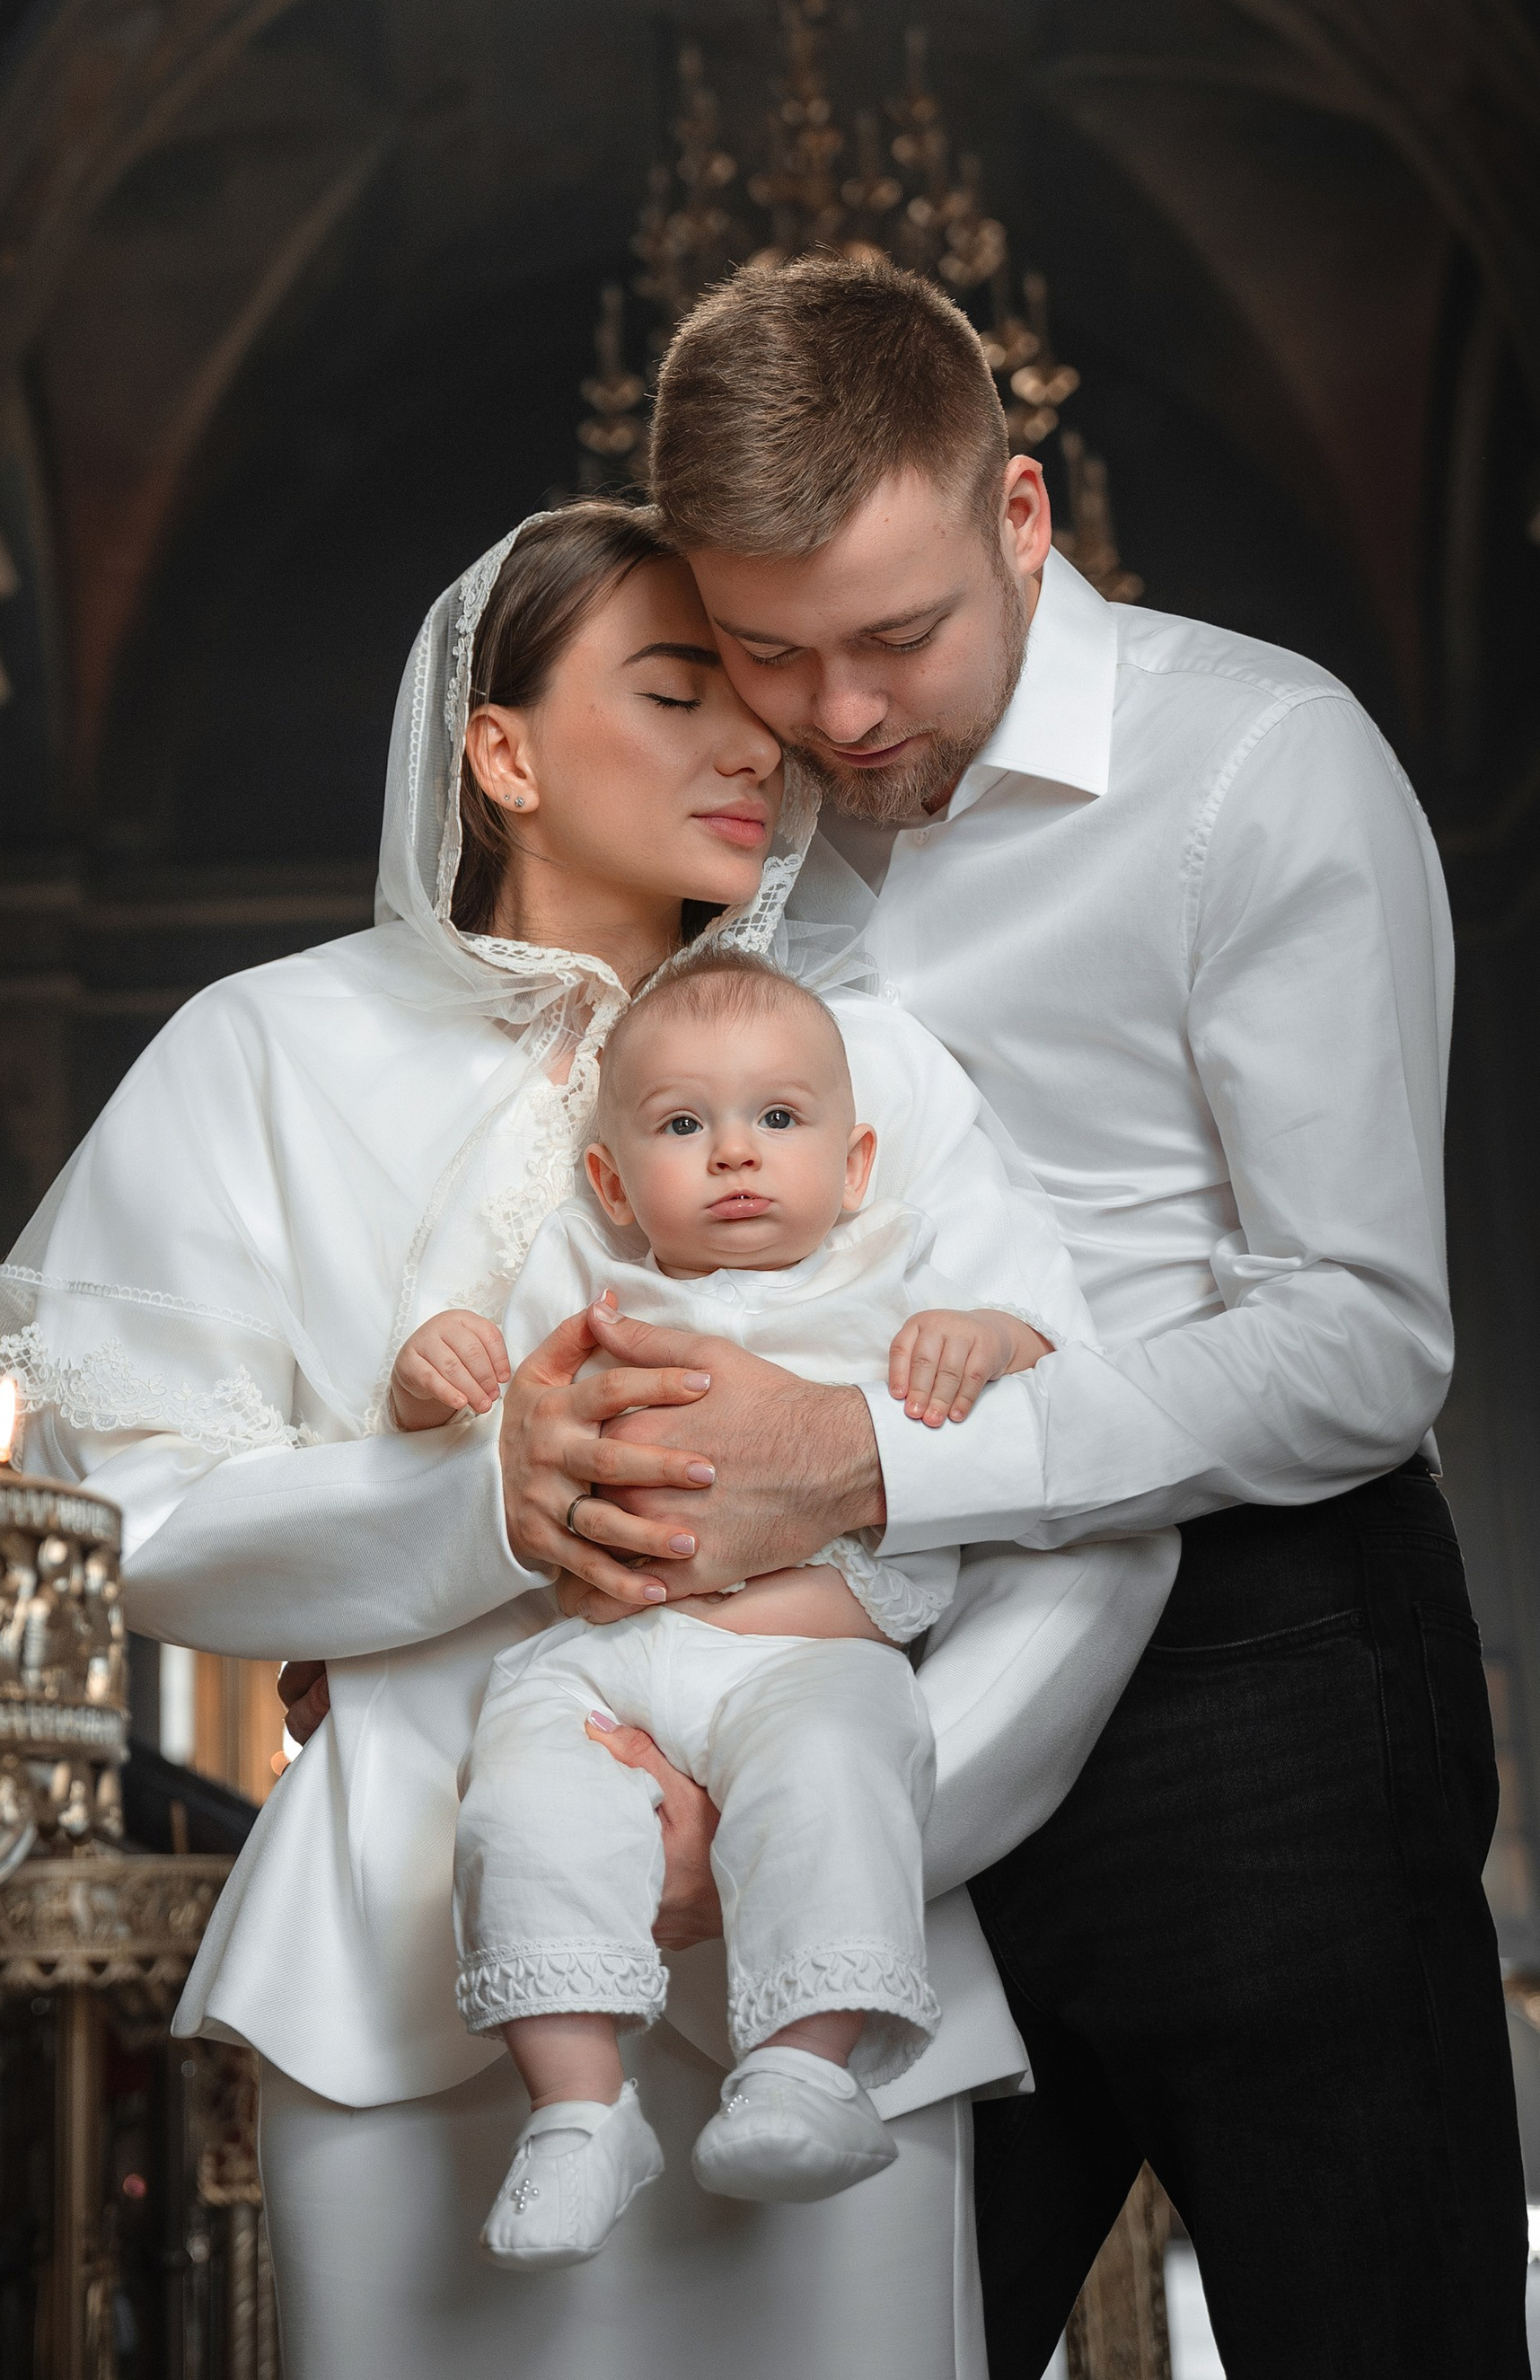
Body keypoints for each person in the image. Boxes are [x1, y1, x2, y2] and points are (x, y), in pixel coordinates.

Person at [0, 498, 1174, 2380]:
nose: (751, 744)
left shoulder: (876, 1078)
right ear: (500, 752)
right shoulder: (259, 1057)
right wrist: (467, 1501)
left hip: (820, 1980)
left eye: (753, 692)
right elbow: (103, 1502)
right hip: (406, 1960)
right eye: (678, 691)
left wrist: (865, 1830)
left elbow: (1085, 1506)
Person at [480, 250, 1523, 2377]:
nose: (841, 716)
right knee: (861, 2344)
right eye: (767, 655)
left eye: (900, 635)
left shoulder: (1260, 766)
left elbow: (1356, 1339)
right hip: (860, 1693)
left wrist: (870, 1453)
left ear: (1019, 518)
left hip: (1267, 1675)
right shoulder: (750, 851)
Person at [388, 954, 1082, 2265]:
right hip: (607, 1655)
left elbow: (1051, 1371)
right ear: (610, 1181)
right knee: (520, 1790)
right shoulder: (586, 1285)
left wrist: (988, 1339)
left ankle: (802, 2067)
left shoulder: (894, 1277)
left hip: (805, 1656)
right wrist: (437, 1366)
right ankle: (579, 2107)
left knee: (839, 1770)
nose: (735, 1157)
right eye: (681, 1125)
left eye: (779, 1118)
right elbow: (487, 1401)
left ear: (856, 1162)